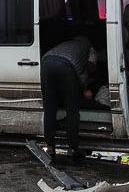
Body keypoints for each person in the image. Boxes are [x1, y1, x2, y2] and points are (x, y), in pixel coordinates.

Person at [40, 35, 97, 164]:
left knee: (49, 109)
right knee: (72, 109)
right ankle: (73, 147)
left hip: (46, 63)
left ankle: (50, 146)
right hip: (66, 67)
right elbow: (86, 70)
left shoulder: (66, 43)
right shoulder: (89, 49)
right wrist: (85, 88)